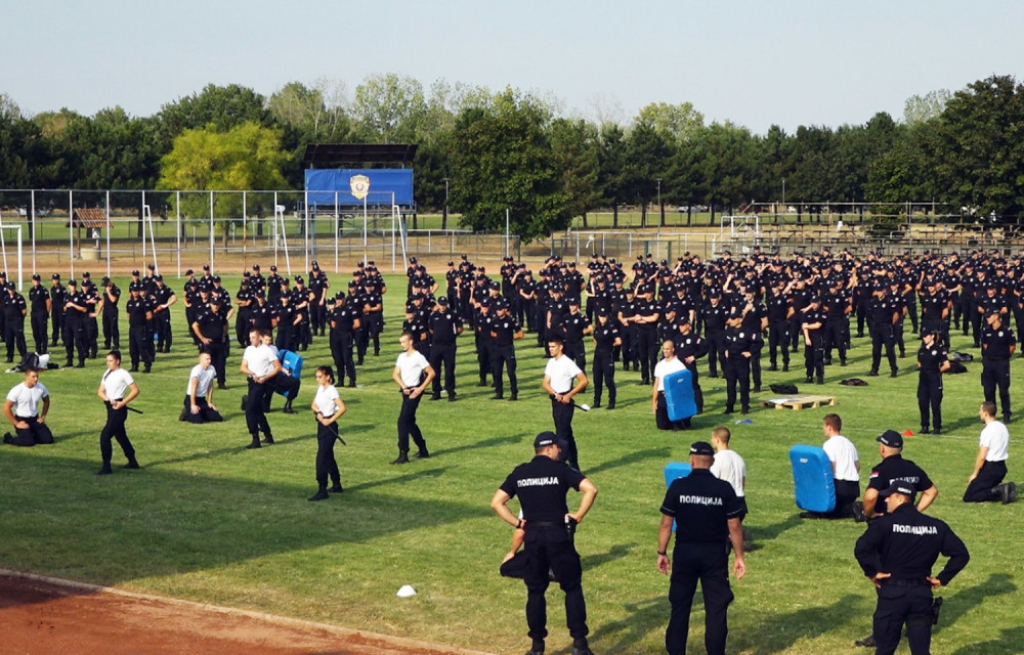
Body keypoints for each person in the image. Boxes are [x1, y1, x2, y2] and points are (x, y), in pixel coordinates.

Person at [490, 431, 598, 655]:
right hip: (558, 535)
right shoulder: (561, 470)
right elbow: (591, 489)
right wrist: (578, 515)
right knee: (572, 587)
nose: (560, 451)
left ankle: (537, 646)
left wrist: (518, 523)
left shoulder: (521, 472)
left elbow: (496, 502)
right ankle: (579, 644)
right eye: (558, 447)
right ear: (550, 449)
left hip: (533, 537)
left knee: (536, 591)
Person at [853, 480, 970, 655]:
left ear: (900, 498)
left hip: (892, 594)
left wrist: (873, 573)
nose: (886, 501)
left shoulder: (884, 524)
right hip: (921, 595)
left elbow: (861, 549)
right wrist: (942, 578)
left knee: (885, 649)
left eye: (889, 497)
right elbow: (961, 554)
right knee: (921, 651)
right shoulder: (937, 526)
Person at [657, 441, 746, 655]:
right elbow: (734, 525)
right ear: (712, 462)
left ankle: (676, 651)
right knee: (716, 608)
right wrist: (739, 556)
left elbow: (666, 523)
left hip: (685, 552)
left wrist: (662, 552)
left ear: (691, 461)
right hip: (714, 555)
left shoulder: (678, 486)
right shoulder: (724, 489)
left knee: (680, 605)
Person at [862, 430, 938, 520]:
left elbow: (871, 496)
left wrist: (868, 513)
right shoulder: (913, 468)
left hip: (885, 521)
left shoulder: (881, 470)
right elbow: (931, 492)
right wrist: (914, 511)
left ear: (883, 449)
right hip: (908, 522)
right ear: (901, 449)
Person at [803, 413, 862, 520]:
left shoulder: (830, 444)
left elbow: (829, 467)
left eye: (824, 426)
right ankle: (852, 507)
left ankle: (816, 512)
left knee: (830, 513)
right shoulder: (849, 443)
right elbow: (857, 466)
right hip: (853, 488)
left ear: (829, 427)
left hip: (840, 486)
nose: (823, 429)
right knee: (840, 512)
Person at [542, 335, 588, 471]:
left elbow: (584, 380)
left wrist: (568, 395)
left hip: (565, 403)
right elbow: (545, 383)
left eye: (553, 347)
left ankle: (560, 464)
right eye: (549, 347)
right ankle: (574, 465)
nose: (551, 349)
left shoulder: (567, 363)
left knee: (561, 435)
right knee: (567, 433)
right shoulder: (551, 362)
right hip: (556, 401)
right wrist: (554, 393)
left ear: (560, 347)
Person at [391, 331, 435, 464]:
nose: (402, 345)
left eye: (404, 342)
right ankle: (422, 448)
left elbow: (431, 372)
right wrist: (403, 386)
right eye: (401, 342)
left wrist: (421, 388)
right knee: (409, 422)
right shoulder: (401, 357)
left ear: (410, 341)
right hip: (406, 391)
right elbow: (395, 374)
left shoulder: (418, 357)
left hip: (415, 391)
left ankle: (403, 453)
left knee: (402, 421)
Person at [96, 350, 140, 475]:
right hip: (110, 407)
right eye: (107, 361)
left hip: (119, 410)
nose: (108, 363)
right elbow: (100, 391)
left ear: (118, 361)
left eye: (110, 361)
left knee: (105, 436)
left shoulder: (124, 374)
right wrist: (108, 400)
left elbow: (135, 390)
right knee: (120, 435)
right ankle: (132, 461)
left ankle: (106, 465)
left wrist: (122, 403)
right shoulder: (107, 373)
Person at [963, 401, 1016, 503]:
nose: (979, 413)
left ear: (985, 413)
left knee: (970, 496)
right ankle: (1004, 491)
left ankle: (1000, 490)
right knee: (980, 488)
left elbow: (982, 456)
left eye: (980, 411)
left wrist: (975, 474)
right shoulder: (1002, 427)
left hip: (991, 468)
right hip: (1001, 467)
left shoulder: (988, 431)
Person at [308, 365, 347, 501]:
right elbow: (313, 404)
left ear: (328, 377)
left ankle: (322, 487)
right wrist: (318, 413)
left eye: (320, 377)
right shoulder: (321, 389)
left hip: (329, 428)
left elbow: (342, 408)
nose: (317, 379)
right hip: (321, 425)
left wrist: (329, 420)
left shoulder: (331, 390)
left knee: (322, 457)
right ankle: (336, 483)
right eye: (317, 377)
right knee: (328, 455)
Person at [240, 329, 281, 449]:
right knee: (257, 410)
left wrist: (265, 377)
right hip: (252, 381)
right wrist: (251, 373)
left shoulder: (267, 351)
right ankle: (268, 435)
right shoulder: (249, 350)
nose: (251, 339)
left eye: (253, 337)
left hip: (262, 383)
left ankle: (255, 437)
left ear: (260, 338)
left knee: (250, 409)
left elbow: (277, 367)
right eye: (250, 337)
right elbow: (243, 367)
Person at [2, 367, 54, 447]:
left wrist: (43, 416)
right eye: (33, 377)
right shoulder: (17, 390)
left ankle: (31, 434)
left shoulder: (40, 387)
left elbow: (46, 401)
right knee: (27, 442)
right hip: (21, 419)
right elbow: (6, 407)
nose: (36, 379)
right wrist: (16, 423)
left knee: (48, 440)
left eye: (37, 377)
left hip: (34, 418)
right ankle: (9, 438)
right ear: (26, 377)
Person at [980, 309, 1015, 423]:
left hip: (1001, 363)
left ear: (996, 316)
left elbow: (1012, 347)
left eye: (989, 316)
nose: (987, 318)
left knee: (1003, 390)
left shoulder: (1007, 331)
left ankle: (1006, 414)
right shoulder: (986, 330)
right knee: (989, 390)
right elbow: (985, 345)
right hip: (989, 363)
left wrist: (1003, 356)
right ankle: (990, 414)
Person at [710, 427, 747, 525]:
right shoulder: (739, 458)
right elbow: (743, 483)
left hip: (725, 503)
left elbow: (712, 483)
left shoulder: (716, 459)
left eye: (712, 439)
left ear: (717, 439)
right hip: (740, 503)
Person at [916, 327, 949, 434]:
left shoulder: (939, 348)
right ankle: (924, 426)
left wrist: (937, 372)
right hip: (923, 378)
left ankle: (937, 427)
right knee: (923, 402)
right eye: (923, 336)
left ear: (932, 336)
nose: (924, 338)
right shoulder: (922, 349)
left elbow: (946, 364)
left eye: (926, 336)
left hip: (934, 378)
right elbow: (919, 363)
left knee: (935, 404)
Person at [652, 340, 687, 431]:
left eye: (667, 349)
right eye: (664, 349)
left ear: (673, 349)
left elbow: (683, 383)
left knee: (675, 424)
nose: (665, 351)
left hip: (674, 395)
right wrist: (654, 401)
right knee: (662, 426)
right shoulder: (660, 365)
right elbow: (656, 384)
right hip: (662, 395)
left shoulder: (678, 365)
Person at [181, 352, 223, 424]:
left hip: (202, 399)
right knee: (197, 420)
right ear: (201, 360)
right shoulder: (197, 370)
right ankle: (186, 413)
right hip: (192, 398)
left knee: (217, 418)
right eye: (207, 359)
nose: (209, 361)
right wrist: (193, 404)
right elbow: (193, 389)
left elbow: (210, 387)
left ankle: (201, 412)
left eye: (210, 359)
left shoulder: (212, 369)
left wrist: (209, 402)